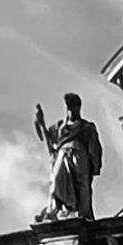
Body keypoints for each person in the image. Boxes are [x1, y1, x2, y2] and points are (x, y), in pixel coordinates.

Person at [32, 92, 102, 223]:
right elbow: (45, 138)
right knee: (56, 183)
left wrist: (93, 164)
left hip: (79, 156)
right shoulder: (60, 127)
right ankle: (56, 211)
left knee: (81, 186)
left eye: (73, 106)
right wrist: (40, 123)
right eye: (68, 106)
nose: (70, 109)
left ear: (78, 107)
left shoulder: (86, 127)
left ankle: (81, 212)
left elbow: (94, 148)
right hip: (63, 155)